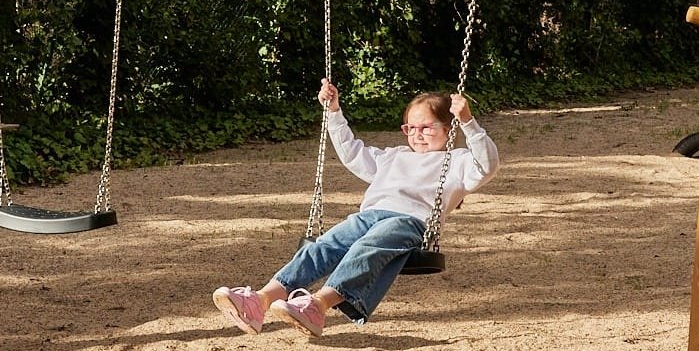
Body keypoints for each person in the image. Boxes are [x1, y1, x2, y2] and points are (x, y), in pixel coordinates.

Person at [213, 79, 498, 336]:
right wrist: (334, 111)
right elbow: (352, 152)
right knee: (322, 246)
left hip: (409, 222)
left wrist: (469, 123)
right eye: (410, 128)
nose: (417, 134)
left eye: (427, 127)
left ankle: (317, 305)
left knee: (368, 247)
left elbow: (487, 166)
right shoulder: (393, 156)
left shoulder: (458, 161)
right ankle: (259, 302)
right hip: (369, 216)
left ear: (449, 130)